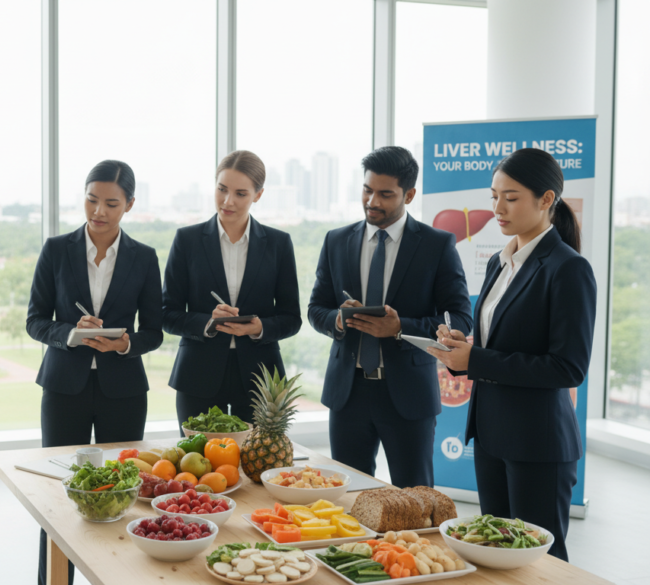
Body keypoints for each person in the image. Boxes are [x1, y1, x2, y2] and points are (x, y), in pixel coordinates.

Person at [428, 148, 595, 561]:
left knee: (540, 565)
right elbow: (499, 340)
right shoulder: (500, 264)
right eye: (493, 195)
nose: (497, 208)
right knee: (494, 556)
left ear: (546, 200)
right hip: (491, 437)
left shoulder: (568, 269)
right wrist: (462, 346)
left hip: (537, 445)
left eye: (512, 197)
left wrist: (476, 361)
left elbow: (568, 367)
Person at [26, 160, 163, 585]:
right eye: (91, 199)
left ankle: (118, 576)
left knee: (125, 491)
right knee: (60, 490)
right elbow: (35, 320)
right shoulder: (56, 249)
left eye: (110, 203)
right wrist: (70, 333)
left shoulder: (144, 257)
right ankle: (53, 578)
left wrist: (124, 344)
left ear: (129, 205)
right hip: (64, 387)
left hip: (122, 389)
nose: (98, 211)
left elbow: (154, 332)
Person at [307, 146, 472, 488]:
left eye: (385, 194)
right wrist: (338, 319)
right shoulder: (336, 240)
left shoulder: (437, 245)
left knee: (415, 497)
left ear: (409, 194)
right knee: (346, 497)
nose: (372, 201)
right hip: (347, 394)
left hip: (408, 396)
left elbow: (460, 318)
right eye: (367, 190)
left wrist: (400, 328)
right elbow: (315, 309)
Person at [163, 150, 301, 430]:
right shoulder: (186, 240)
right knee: (196, 467)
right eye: (222, 189)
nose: (228, 201)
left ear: (258, 195)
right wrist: (208, 323)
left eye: (240, 193)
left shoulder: (279, 243)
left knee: (255, 469)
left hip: (260, 379)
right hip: (197, 374)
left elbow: (291, 318)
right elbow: (167, 313)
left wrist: (258, 327)